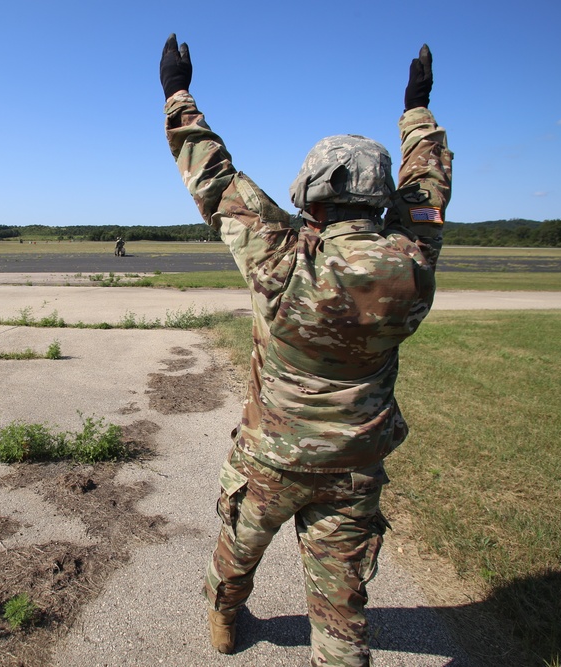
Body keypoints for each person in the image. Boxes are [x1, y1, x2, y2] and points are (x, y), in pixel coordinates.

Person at [159, 34, 452, 666]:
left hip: (274, 457)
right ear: (381, 200)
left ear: (310, 191)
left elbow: (216, 181)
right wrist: (417, 111)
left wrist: (178, 95)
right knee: (341, 606)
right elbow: (427, 192)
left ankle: (223, 616)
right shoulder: (411, 262)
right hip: (353, 466)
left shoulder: (283, 256)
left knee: (236, 551)